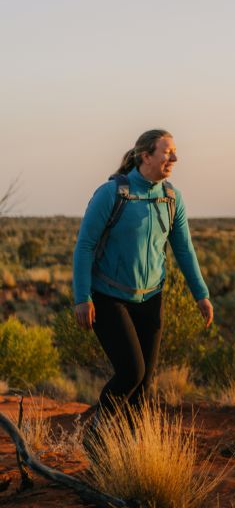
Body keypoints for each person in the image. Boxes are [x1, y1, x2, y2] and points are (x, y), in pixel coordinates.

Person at [72, 129, 214, 419]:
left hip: (151, 297)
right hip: (109, 297)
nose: (174, 157)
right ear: (146, 156)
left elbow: (184, 250)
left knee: (143, 387)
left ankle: (130, 452)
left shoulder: (172, 198)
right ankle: (97, 434)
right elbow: (84, 246)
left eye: (174, 151)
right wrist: (82, 297)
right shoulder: (112, 194)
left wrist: (201, 294)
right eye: (167, 151)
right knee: (131, 372)